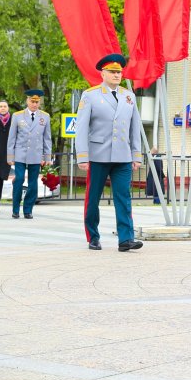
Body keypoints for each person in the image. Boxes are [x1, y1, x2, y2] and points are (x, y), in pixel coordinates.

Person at [75, 54, 144, 252]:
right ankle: (93, 236)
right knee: (93, 197)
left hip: (122, 155)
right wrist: (82, 155)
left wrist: (136, 154)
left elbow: (134, 126)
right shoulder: (91, 95)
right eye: (112, 72)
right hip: (98, 155)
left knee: (123, 196)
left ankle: (126, 239)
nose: (117, 75)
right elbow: (81, 128)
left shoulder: (128, 96)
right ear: (102, 73)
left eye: (119, 72)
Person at [7, 89, 53, 219]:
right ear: (27, 101)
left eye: (37, 102)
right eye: (32, 101)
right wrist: (10, 156)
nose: (34, 104)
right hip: (20, 153)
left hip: (36, 154)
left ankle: (28, 209)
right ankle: (16, 209)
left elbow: (47, 138)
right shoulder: (17, 115)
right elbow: (12, 137)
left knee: (33, 184)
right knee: (19, 179)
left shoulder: (45, 116)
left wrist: (47, 156)